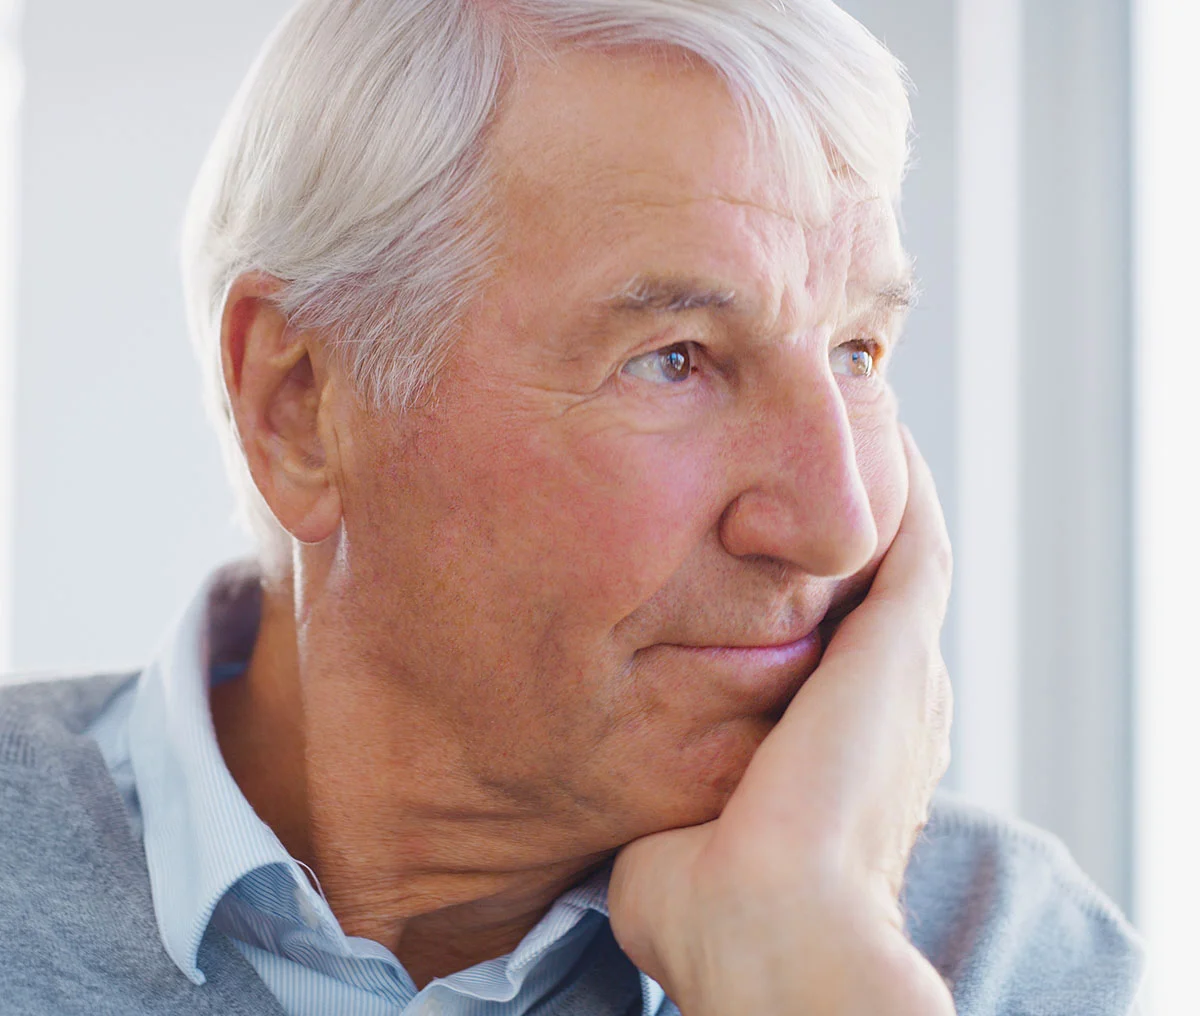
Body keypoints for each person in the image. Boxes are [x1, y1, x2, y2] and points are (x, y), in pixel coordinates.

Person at [0, 1, 1143, 1013]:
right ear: (301, 408)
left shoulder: (1004, 954)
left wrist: (808, 967)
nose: (839, 520)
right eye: (676, 358)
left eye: (856, 349)